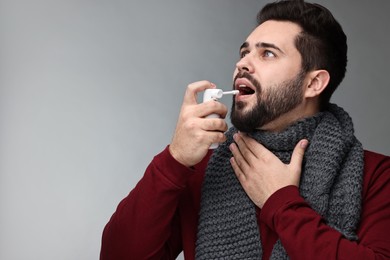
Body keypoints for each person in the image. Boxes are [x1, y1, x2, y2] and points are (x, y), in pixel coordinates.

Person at [100, 0, 390, 259]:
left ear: (314, 83)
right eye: (244, 52)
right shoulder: (203, 171)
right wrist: (174, 160)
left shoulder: (377, 176)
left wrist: (281, 202)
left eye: (268, 54)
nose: (242, 64)